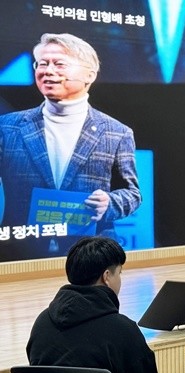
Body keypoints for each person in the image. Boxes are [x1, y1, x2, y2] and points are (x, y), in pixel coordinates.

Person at [0, 33, 141, 261]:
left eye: (59, 64)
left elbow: (132, 193)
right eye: (42, 64)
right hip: (19, 253)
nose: (48, 71)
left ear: (89, 75)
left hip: (91, 254)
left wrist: (109, 203)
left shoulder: (116, 132)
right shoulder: (7, 127)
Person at [26, 237, 161, 373]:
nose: (120, 280)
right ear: (106, 277)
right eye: (119, 273)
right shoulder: (123, 330)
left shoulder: (42, 323)